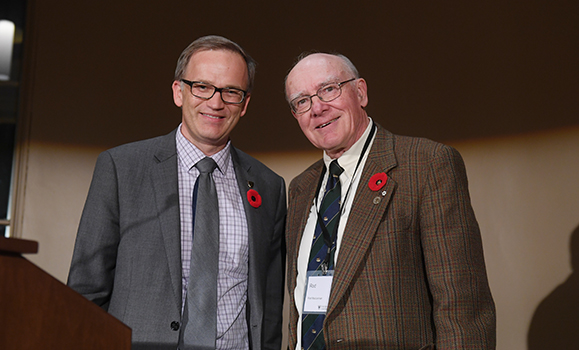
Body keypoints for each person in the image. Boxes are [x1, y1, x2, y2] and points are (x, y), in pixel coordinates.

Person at [67, 35, 286, 350]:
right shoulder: (121, 168)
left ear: (245, 104)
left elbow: (269, 302)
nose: (215, 102)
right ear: (178, 92)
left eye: (231, 91)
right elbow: (86, 291)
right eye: (202, 86)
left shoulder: (269, 186)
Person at [284, 52, 495, 349]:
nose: (317, 108)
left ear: (360, 92)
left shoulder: (425, 164)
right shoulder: (301, 188)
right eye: (301, 101)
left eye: (328, 89)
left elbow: (463, 308)